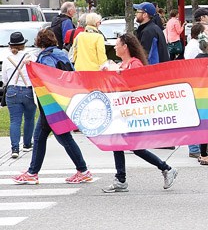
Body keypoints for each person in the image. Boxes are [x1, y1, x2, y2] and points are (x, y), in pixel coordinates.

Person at [12, 29, 93, 184]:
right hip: (62, 99)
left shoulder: (46, 57)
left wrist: (34, 65)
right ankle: (34, 171)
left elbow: (47, 74)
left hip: (50, 103)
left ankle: (35, 172)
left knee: (55, 137)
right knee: (49, 137)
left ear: (39, 42)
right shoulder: (61, 53)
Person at [101, 33, 178, 193]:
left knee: (133, 146)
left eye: (117, 44)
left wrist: (117, 74)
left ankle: (165, 168)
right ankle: (121, 178)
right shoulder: (122, 64)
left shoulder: (134, 64)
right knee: (119, 144)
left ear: (125, 47)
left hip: (132, 112)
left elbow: (136, 86)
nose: (114, 47)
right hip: (121, 111)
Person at [2, 32, 35, 159]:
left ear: (11, 46)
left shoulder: (6, 59)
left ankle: (15, 148)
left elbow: (5, 79)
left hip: (12, 90)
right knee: (29, 118)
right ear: (23, 44)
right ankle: (27, 144)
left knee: (15, 120)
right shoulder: (30, 57)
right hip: (28, 90)